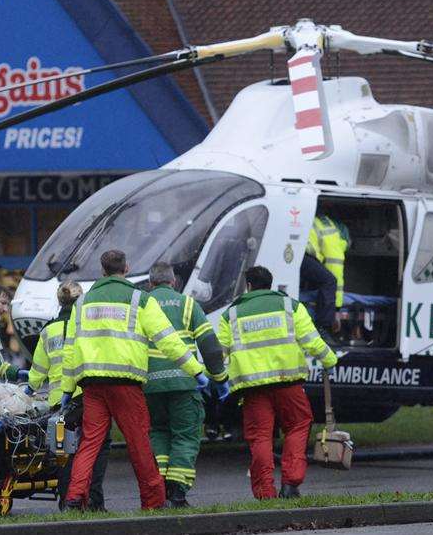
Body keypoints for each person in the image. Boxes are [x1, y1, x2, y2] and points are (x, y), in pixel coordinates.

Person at [60, 249, 207, 511]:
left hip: (91, 384)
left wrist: (67, 389)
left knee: (90, 442)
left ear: (102, 270)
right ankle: (153, 501)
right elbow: (167, 339)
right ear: (126, 269)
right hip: (125, 382)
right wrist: (195, 369)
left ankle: (73, 498)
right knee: (139, 442)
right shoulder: (140, 299)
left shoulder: (82, 303)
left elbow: (70, 349)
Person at [217, 265, 337, 500]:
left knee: (260, 436)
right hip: (287, 383)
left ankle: (264, 492)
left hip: (253, 389)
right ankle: (291, 484)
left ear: (248, 286)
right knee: (298, 425)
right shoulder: (289, 306)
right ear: (270, 285)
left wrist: (218, 378)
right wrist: (329, 360)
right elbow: (312, 341)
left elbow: (220, 353)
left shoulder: (230, 314)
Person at [144, 261, 229, 508]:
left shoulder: (140, 305)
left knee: (158, 432)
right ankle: (177, 492)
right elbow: (210, 347)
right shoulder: (187, 304)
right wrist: (220, 379)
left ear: (150, 283)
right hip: (185, 383)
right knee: (185, 436)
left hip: (150, 386)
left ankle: (159, 484)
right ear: (174, 282)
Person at [29, 282, 110, 511]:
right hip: (89, 397)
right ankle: (95, 502)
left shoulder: (48, 331)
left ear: (59, 301)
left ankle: (68, 503)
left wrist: (29, 389)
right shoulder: (89, 325)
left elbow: (37, 372)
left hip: (59, 404)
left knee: (64, 454)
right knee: (98, 448)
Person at [302, 213, 349, 336]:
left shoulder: (322, 223)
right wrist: (336, 310)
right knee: (329, 280)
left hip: (297, 251)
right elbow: (336, 275)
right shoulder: (333, 237)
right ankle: (323, 327)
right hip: (304, 254)